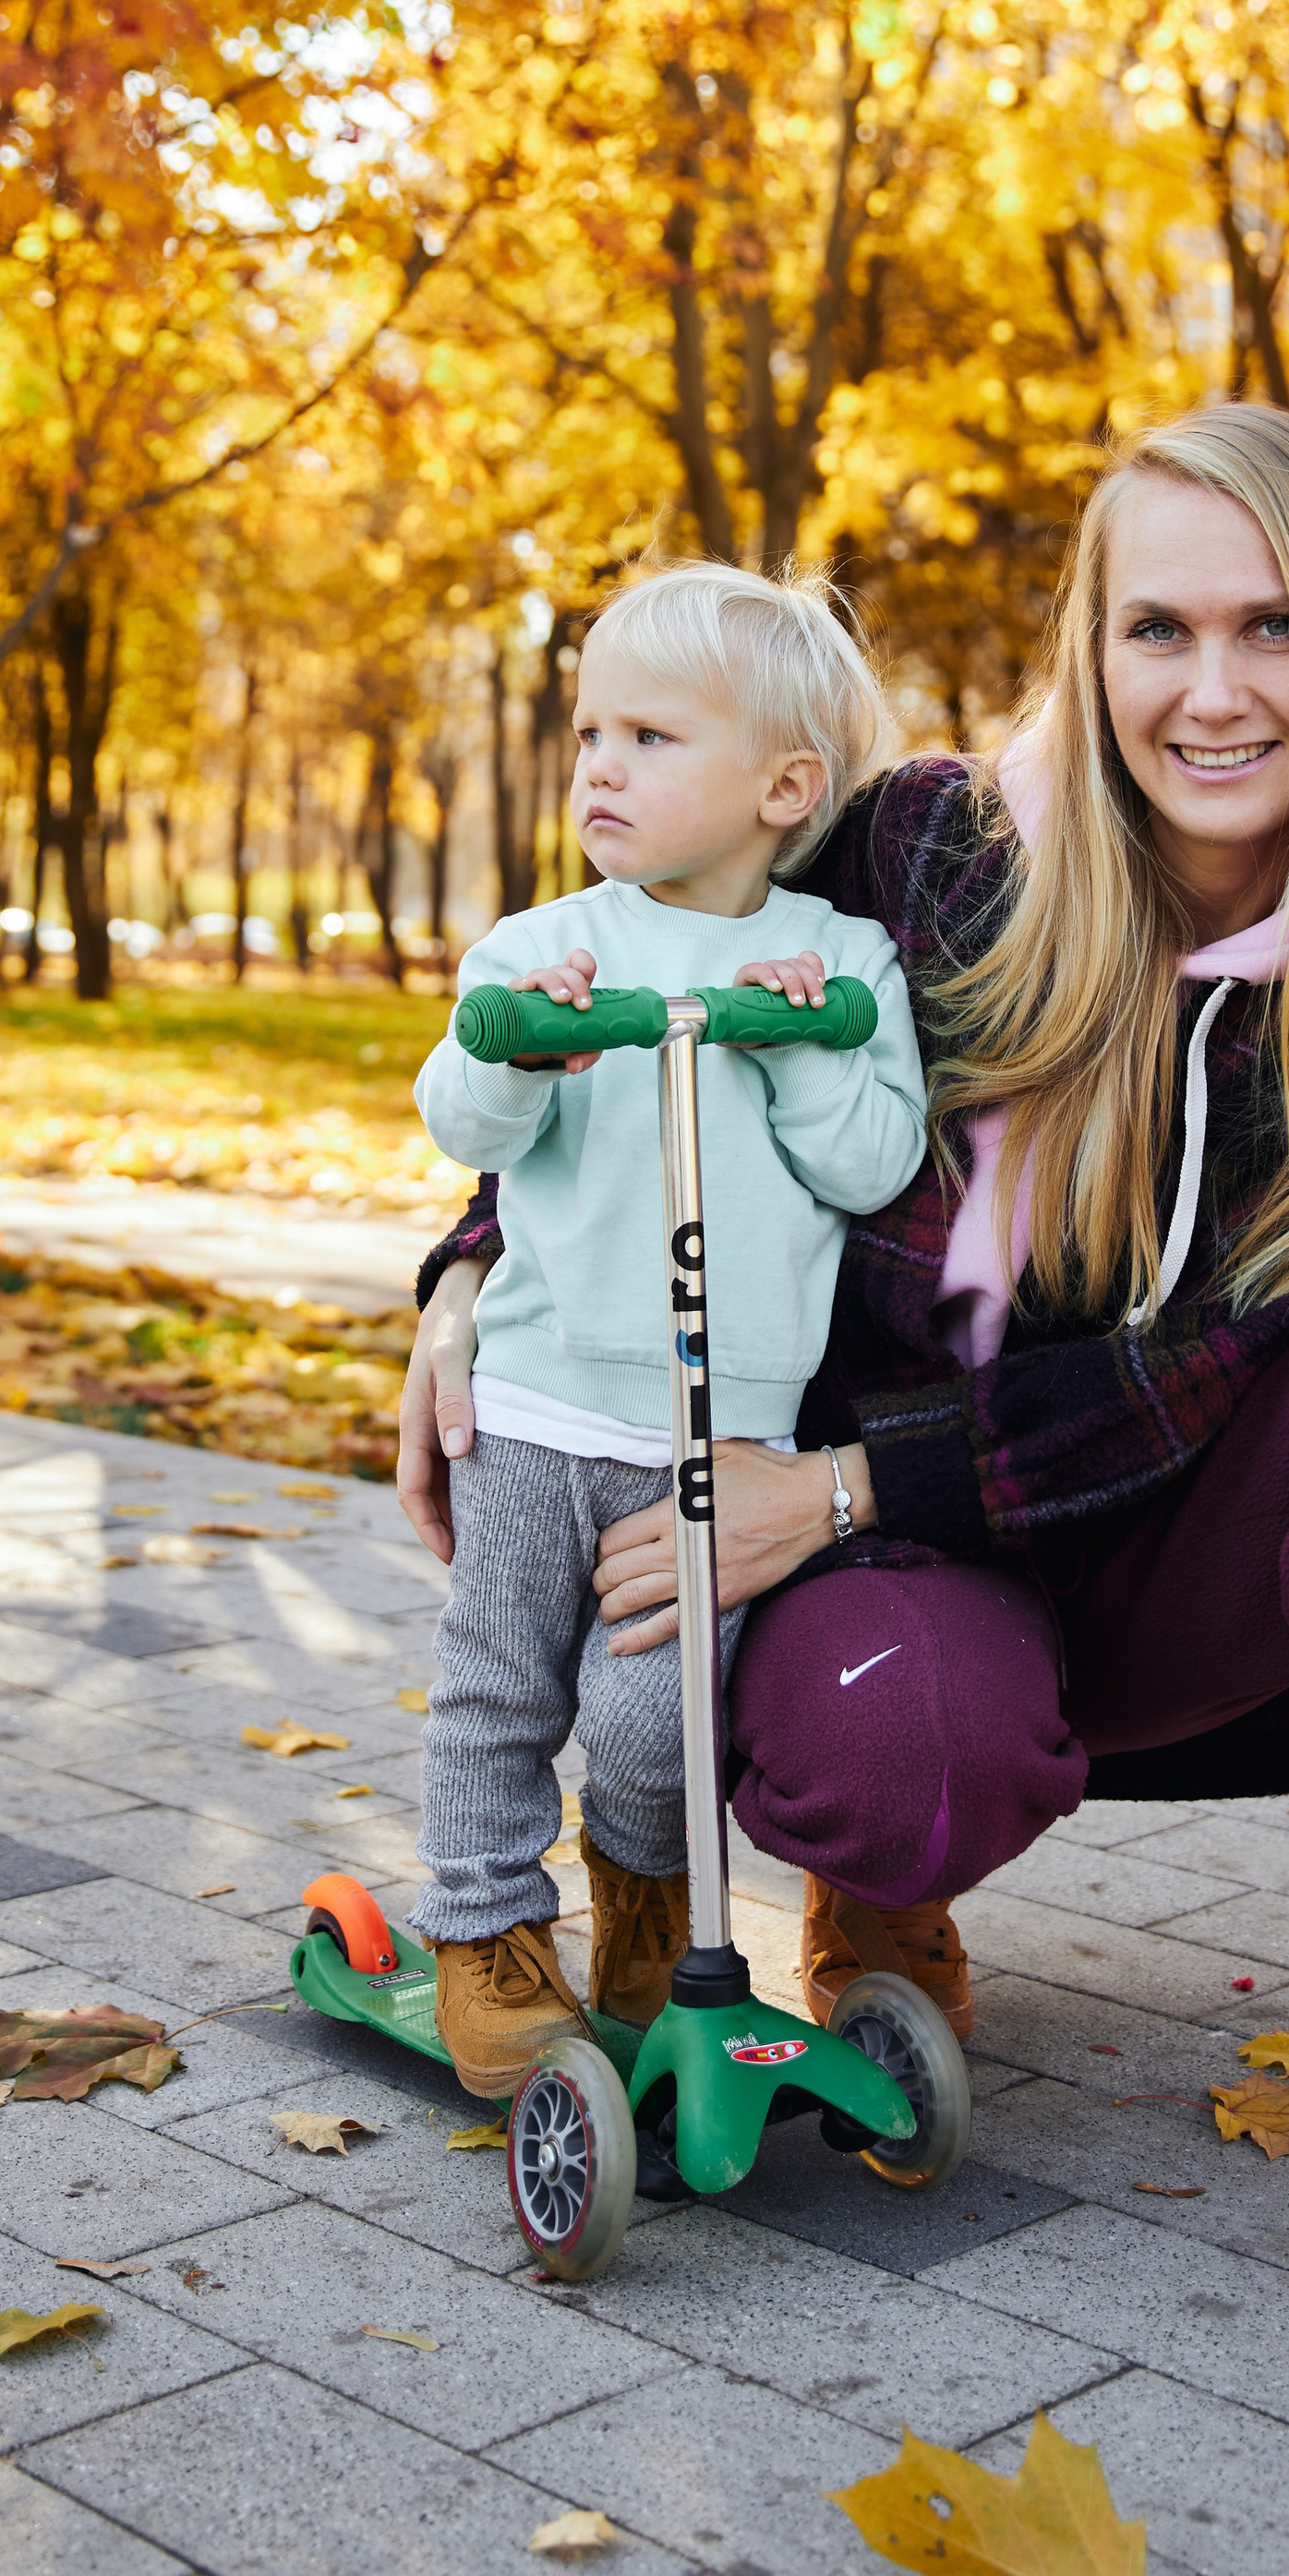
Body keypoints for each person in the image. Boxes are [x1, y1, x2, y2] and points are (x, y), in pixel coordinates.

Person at [400, 403, 1289, 2455]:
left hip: (1163, 1572)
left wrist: (848, 1478)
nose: (1212, 689)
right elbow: (641, 985)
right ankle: (880, 1883)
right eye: (1156, 626)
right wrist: (463, 1271)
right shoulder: (922, 849)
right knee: (895, 1738)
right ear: (1089, 643)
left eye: (1270, 628)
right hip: (889, 1588)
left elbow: (1215, 1375)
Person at [404, 562, 925, 2096]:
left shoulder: (843, 965)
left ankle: (646, 1905)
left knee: (653, 1724)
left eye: (649, 736)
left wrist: (804, 1040)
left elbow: (874, 1159)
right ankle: (486, 1926)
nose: (600, 769)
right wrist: (524, 1047)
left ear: (784, 786)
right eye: (590, 733)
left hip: (723, 1436)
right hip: (543, 1410)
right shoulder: (544, 946)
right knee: (500, 1683)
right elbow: (458, 1109)